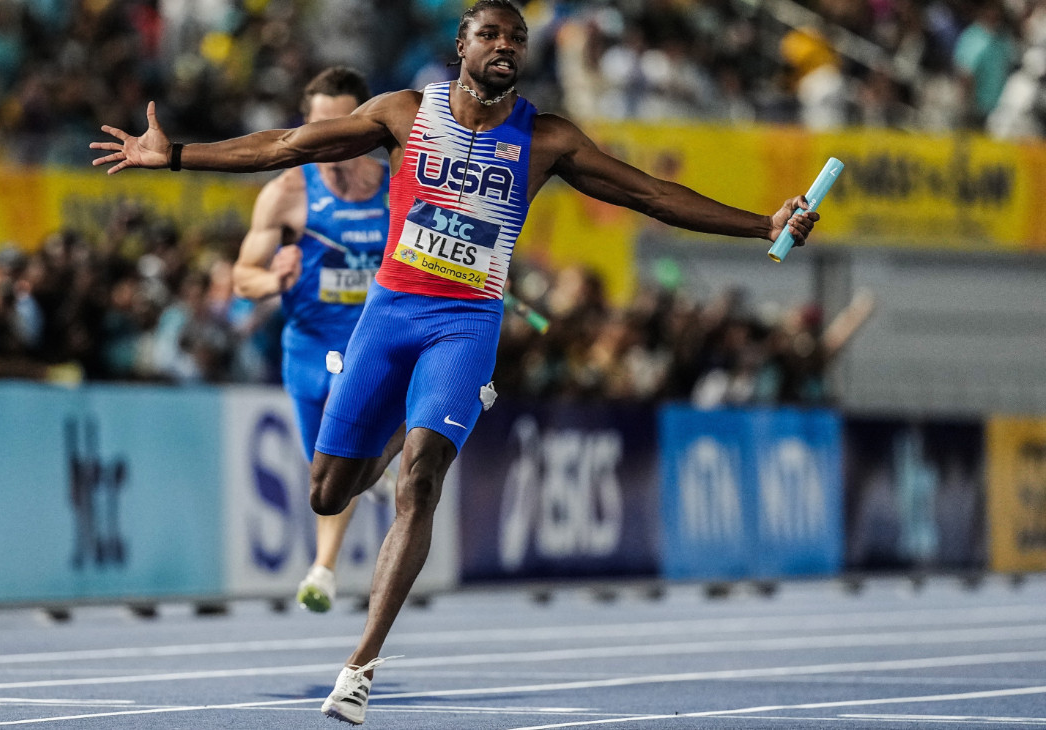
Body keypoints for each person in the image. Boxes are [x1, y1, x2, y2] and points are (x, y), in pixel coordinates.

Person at [91, 1, 820, 723]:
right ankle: (383, 440)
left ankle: (360, 666)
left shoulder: (549, 139)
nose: (506, 46)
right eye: (491, 34)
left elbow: (652, 196)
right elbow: (287, 144)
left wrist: (762, 223)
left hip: (466, 324)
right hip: (389, 313)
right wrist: (177, 154)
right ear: (461, 45)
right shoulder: (403, 114)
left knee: (421, 481)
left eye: (518, 38)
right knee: (327, 494)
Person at [230, 66, 403, 614]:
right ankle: (370, 467)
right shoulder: (285, 191)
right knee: (325, 474)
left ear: (365, 126)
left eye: (341, 125)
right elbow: (242, 278)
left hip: (374, 343)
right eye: (317, 125)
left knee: (346, 430)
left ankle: (323, 568)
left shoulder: (398, 185)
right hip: (307, 345)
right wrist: (273, 279)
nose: (327, 139)